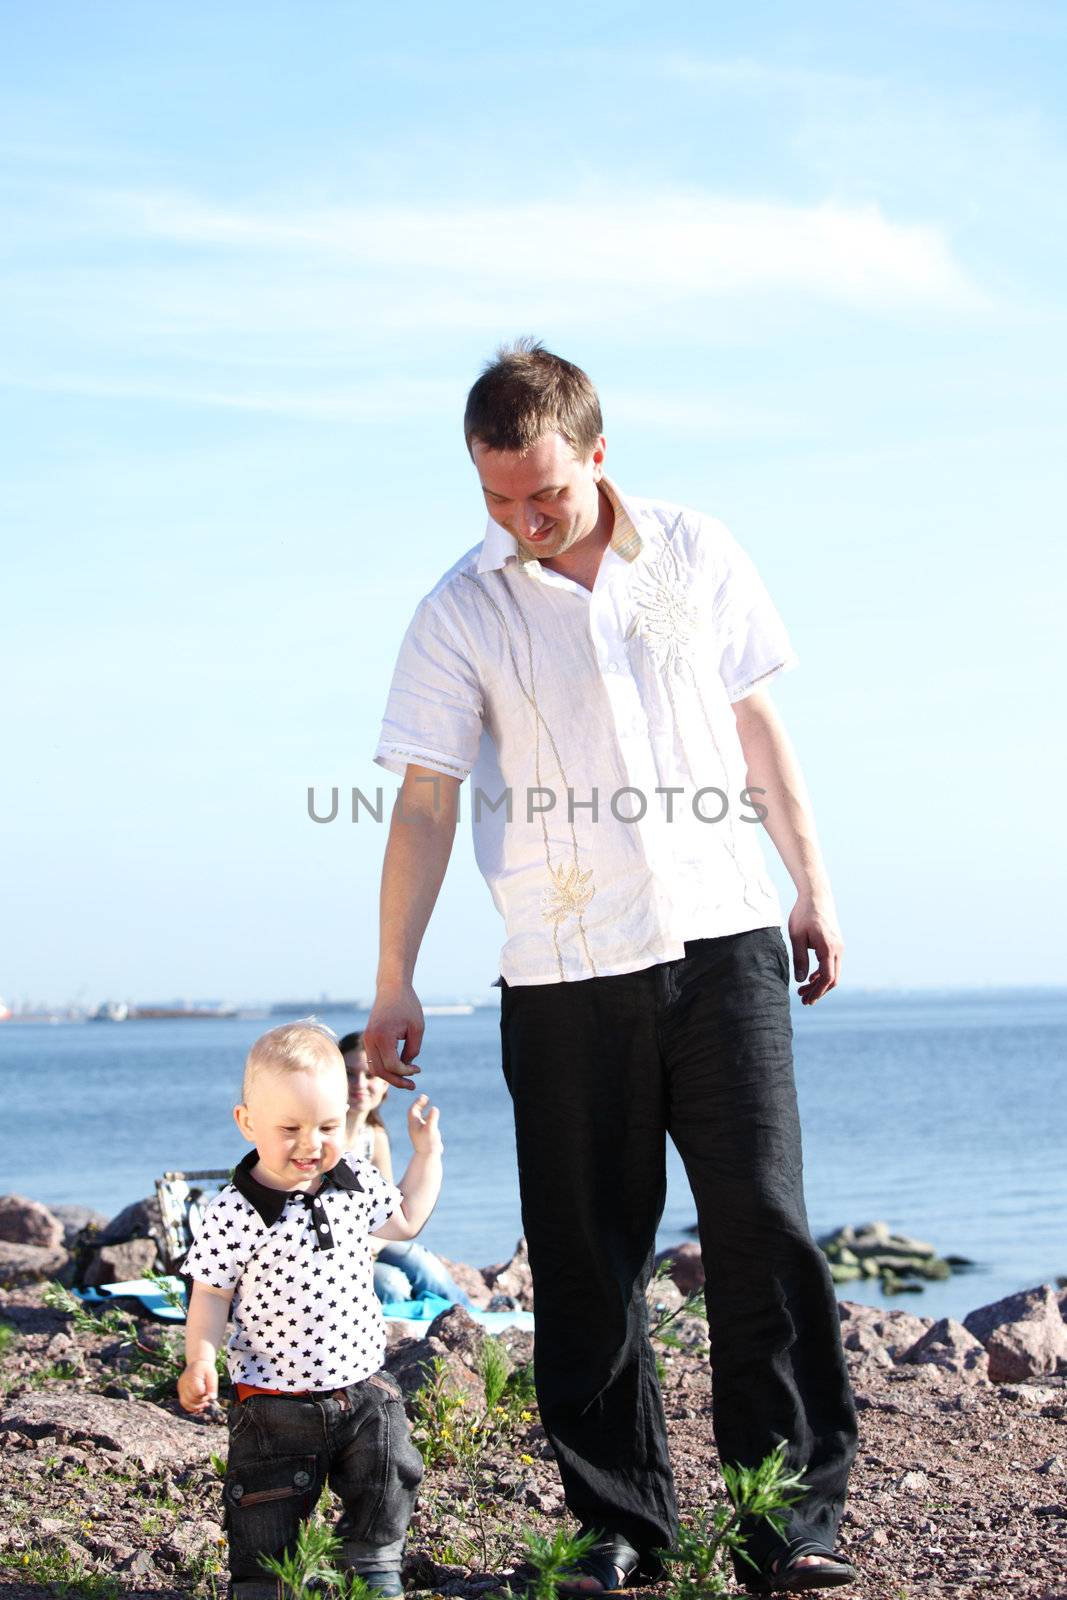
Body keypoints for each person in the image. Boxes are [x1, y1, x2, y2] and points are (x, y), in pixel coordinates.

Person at [363, 341, 858, 1595]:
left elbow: (756, 726)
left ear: (596, 453)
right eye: (496, 501)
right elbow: (424, 803)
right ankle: (619, 1525)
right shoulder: (457, 610)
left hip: (723, 936)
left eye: (546, 495)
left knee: (763, 1223)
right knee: (583, 1255)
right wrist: (394, 977)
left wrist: (813, 887)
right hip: (561, 965)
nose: (523, 522)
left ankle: (784, 1524)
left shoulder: (696, 550)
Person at [178, 1021, 442, 1600]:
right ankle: (262, 1585)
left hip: (363, 1383)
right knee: (265, 1508)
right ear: (248, 1123)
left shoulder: (353, 1182)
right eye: (289, 1128)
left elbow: (406, 1221)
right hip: (272, 1400)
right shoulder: (236, 1211)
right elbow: (211, 1293)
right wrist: (200, 1356)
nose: (310, 1144)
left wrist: (426, 1155)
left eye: (326, 1126)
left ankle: (372, 1561)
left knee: (390, 1471)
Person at [338, 1029, 472, 1308]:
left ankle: (471, 1318)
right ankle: (405, 1342)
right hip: (332, 1256)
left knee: (422, 1263)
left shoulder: (373, 1136)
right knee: (392, 1284)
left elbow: (391, 1210)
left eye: (370, 1075)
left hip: (370, 1242)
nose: (359, 1083)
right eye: (349, 1074)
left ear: (385, 1084)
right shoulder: (321, 1138)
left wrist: (373, 1246)